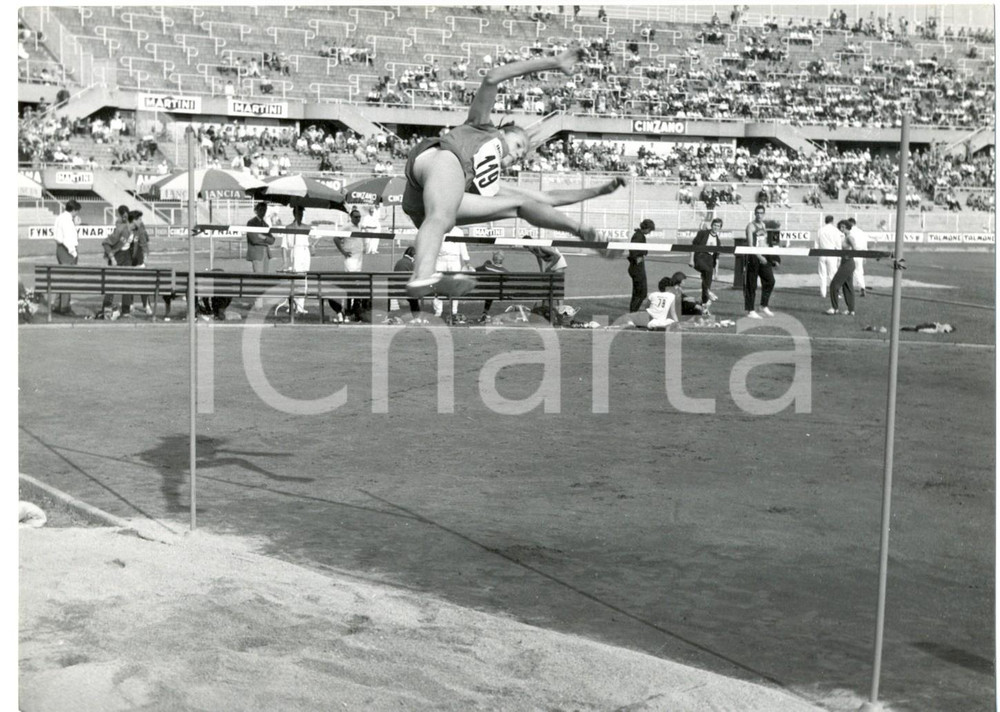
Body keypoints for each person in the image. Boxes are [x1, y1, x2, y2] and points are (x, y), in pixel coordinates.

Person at [401, 45, 626, 299]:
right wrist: (554, 62)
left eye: (522, 154)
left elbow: (548, 198)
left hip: (424, 201)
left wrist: (598, 190)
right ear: (504, 132)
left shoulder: (490, 182)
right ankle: (422, 276)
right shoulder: (482, 127)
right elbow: (493, 76)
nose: (518, 154)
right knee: (441, 217)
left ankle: (581, 230)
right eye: (518, 145)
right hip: (439, 160)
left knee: (520, 205)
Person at [100, 204, 134, 319]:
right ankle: (107, 309)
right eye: (123, 216)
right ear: (120, 216)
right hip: (117, 255)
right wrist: (112, 257)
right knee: (112, 283)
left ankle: (126, 310)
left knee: (128, 283)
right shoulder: (119, 228)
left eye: (126, 216)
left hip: (127, 256)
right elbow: (106, 242)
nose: (125, 218)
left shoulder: (132, 226)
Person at [743, 204, 776, 319]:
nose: (759, 215)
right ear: (754, 213)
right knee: (752, 284)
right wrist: (759, 257)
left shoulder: (763, 225)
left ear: (764, 214)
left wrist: (770, 257)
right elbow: (750, 245)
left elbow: (765, 242)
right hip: (753, 257)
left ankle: (763, 305)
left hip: (763, 255)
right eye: (757, 213)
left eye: (761, 213)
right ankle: (750, 310)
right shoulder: (751, 226)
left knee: (770, 280)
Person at [432, 228, 472, 320]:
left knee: (455, 286)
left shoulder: (458, 231)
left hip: (454, 259)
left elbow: (462, 246)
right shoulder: (439, 229)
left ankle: (454, 310)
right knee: (437, 284)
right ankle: (438, 311)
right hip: (440, 259)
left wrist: (466, 261)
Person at [334, 208, 367, 320]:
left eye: (359, 217)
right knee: (351, 284)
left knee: (357, 284)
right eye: (356, 217)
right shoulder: (347, 226)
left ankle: (354, 309)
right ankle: (348, 309)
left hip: (359, 259)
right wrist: (343, 251)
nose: (358, 219)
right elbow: (336, 238)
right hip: (351, 259)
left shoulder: (359, 227)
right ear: (351, 217)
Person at [619, 273, 684, 329]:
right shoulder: (672, 296)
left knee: (627, 316)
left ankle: (631, 325)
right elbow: (673, 312)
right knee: (669, 321)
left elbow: (646, 308)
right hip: (660, 319)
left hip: (648, 317)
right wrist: (677, 324)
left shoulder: (653, 294)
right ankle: (643, 325)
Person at [52, 199, 81, 315]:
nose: (77, 214)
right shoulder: (67, 220)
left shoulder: (60, 217)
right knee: (67, 279)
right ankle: (64, 307)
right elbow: (68, 239)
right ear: (73, 210)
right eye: (77, 211)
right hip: (67, 251)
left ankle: (57, 304)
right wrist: (74, 253)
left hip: (60, 249)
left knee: (62, 277)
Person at [286, 205, 316, 315]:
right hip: (295, 251)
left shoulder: (306, 227)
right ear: (294, 214)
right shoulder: (289, 227)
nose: (301, 215)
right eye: (299, 213)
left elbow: (313, 238)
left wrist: (312, 244)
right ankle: (292, 305)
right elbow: (287, 244)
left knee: (304, 278)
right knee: (295, 278)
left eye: (302, 213)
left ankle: (300, 306)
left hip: (305, 252)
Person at [691, 217, 722, 311]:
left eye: (718, 226)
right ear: (712, 225)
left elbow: (716, 259)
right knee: (707, 271)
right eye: (715, 225)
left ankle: (704, 304)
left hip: (709, 261)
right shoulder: (703, 233)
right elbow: (693, 246)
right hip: (700, 257)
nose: (716, 227)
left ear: (720, 228)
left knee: (707, 280)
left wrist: (716, 273)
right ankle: (708, 292)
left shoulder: (718, 241)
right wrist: (691, 260)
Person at [827, 220, 857, 315]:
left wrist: (849, 255)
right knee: (847, 287)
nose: (841, 228)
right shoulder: (845, 237)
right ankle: (851, 310)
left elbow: (855, 250)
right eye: (840, 227)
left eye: (842, 227)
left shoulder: (850, 237)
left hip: (848, 263)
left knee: (834, 285)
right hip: (845, 263)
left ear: (846, 227)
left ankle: (834, 308)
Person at [627, 219, 655, 313]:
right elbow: (633, 252)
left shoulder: (639, 235)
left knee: (639, 293)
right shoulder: (638, 236)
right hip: (637, 267)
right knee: (641, 293)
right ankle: (633, 312)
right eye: (650, 230)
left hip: (637, 266)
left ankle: (633, 312)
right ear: (646, 228)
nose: (650, 232)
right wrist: (642, 254)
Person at [128, 210, 152, 316]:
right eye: (140, 219)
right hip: (128, 259)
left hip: (138, 259)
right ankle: (130, 304)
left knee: (142, 283)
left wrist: (145, 256)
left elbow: (144, 242)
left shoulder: (140, 229)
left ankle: (146, 305)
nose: (141, 221)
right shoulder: (126, 228)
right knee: (130, 283)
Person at [390, 246, 423, 320]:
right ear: (414, 255)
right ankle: (417, 317)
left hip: (397, 290)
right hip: (406, 290)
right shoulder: (410, 264)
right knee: (414, 297)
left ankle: (416, 317)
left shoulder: (400, 262)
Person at [475, 250, 508, 322]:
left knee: (489, 290)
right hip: (498, 293)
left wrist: (485, 264)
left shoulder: (486, 267)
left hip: (483, 292)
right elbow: (506, 280)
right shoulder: (505, 271)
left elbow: (475, 270)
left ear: (493, 259)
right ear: (502, 260)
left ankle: (485, 313)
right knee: (492, 290)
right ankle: (485, 312)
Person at [815, 215, 841, 299]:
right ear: (832, 221)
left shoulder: (820, 230)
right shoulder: (835, 230)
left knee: (822, 274)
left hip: (822, 253)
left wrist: (817, 253)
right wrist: (839, 256)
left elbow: (816, 243)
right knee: (832, 274)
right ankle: (835, 292)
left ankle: (823, 293)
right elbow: (838, 244)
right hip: (832, 253)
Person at [246, 202, 276, 274]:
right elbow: (254, 239)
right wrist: (266, 239)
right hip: (256, 253)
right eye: (261, 209)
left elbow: (272, 240)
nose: (263, 212)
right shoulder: (251, 223)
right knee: (258, 276)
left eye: (265, 210)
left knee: (265, 277)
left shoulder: (265, 225)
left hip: (266, 254)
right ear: (256, 210)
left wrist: (262, 236)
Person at [848, 217, 869, 296]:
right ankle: (862, 287)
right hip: (860, 253)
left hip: (850, 253)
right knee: (859, 272)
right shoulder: (861, 232)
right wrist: (864, 256)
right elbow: (865, 245)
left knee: (846, 271)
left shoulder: (849, 232)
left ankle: (846, 288)